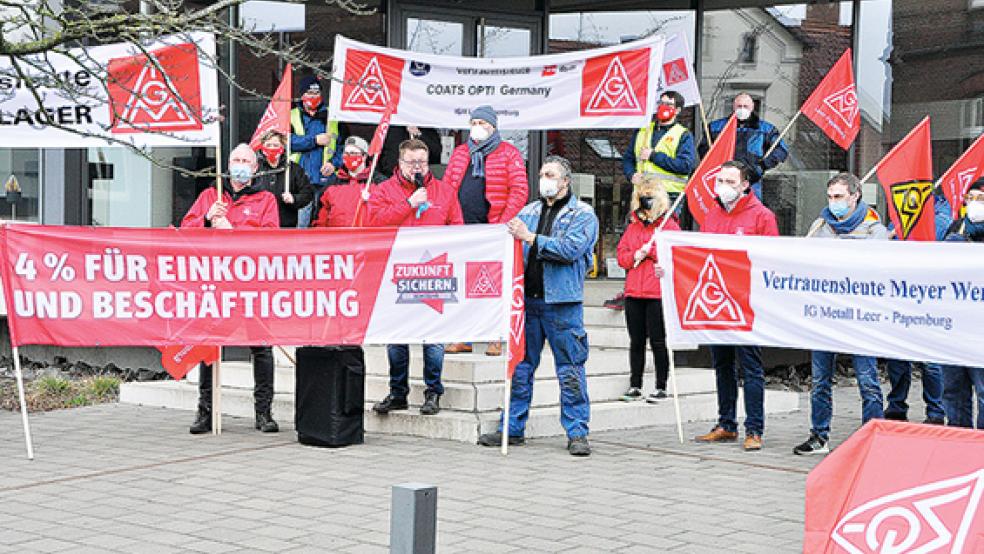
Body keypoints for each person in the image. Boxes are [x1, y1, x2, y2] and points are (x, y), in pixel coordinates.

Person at [477, 155, 599, 456]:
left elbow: (570, 249)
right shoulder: (528, 212)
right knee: (519, 368)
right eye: (542, 173)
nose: (545, 179)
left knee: (570, 370)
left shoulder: (583, 214)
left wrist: (530, 238)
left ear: (565, 182)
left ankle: (577, 432)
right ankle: (512, 428)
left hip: (562, 304)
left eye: (551, 174)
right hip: (528, 304)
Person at [181, 144, 281, 434]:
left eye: (245, 161)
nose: (240, 164)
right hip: (215, 282)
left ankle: (264, 412)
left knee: (261, 347)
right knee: (209, 346)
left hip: (252, 284)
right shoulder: (211, 195)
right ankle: (206, 411)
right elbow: (185, 233)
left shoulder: (266, 200)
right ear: (227, 164)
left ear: (255, 167)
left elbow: (271, 241)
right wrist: (205, 218)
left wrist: (231, 230)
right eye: (235, 160)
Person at [792, 173, 887, 455]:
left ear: (855, 196)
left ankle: (873, 439)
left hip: (860, 317)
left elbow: (877, 273)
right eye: (830, 197)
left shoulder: (874, 231)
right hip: (825, 315)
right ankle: (819, 436)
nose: (833, 203)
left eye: (839, 197)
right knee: (820, 380)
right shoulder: (820, 226)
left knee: (868, 380)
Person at [368, 139, 463, 416]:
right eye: (412, 163)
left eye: (422, 162)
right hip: (396, 274)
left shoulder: (444, 192)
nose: (417, 168)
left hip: (433, 273)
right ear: (400, 163)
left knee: (433, 338)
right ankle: (398, 392)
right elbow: (375, 223)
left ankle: (433, 392)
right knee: (397, 338)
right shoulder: (384, 190)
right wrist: (408, 204)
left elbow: (457, 229)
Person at [694, 161, 778, 451]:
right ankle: (726, 424)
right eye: (719, 180)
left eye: (730, 181)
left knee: (751, 368)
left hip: (746, 304)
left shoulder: (762, 217)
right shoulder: (712, 215)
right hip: (718, 304)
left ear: (745, 185)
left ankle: (754, 429)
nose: (722, 187)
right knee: (723, 365)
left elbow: (771, 261)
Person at [442, 105, 530, 355]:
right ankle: (463, 337)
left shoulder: (508, 153)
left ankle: (496, 337)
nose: (478, 127)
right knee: (462, 284)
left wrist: (502, 223)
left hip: (494, 231)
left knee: (494, 285)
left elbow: (519, 190)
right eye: (474, 122)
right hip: (463, 230)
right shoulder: (461, 153)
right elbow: (447, 189)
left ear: (493, 126)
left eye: (483, 122)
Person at [606, 90, 697, 312]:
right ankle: (631, 289)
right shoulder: (644, 131)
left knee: (660, 246)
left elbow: (686, 165)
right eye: (661, 102)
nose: (663, 106)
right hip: (642, 196)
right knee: (634, 242)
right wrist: (630, 174)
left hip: (669, 199)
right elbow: (628, 158)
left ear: (677, 110)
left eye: (668, 103)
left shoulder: (682, 135)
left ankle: (662, 290)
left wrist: (654, 156)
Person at [615, 176, 680, 403]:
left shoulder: (669, 226)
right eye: (642, 197)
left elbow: (676, 256)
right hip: (634, 291)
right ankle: (635, 384)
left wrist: (651, 253)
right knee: (636, 341)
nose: (645, 202)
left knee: (658, 341)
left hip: (657, 293)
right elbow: (621, 256)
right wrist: (634, 255)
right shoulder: (633, 228)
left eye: (649, 197)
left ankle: (661, 385)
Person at [940, 177, 984, 429]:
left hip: (981, 328)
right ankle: (958, 440)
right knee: (953, 389)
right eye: (972, 198)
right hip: (955, 326)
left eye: (982, 200)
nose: (975, 204)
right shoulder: (956, 228)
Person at [700, 92, 788, 199]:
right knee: (722, 212)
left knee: (751, 213)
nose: (742, 109)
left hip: (751, 180)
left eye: (745, 106)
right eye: (739, 106)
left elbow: (781, 150)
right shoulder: (716, 127)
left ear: (752, 107)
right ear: (733, 107)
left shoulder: (765, 129)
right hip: (724, 180)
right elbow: (704, 150)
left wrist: (762, 166)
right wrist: (714, 167)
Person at [290, 75, 343, 228]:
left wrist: (334, 164)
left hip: (326, 180)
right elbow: (285, 141)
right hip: (298, 181)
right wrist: (314, 141)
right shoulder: (291, 115)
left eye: (317, 93)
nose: (313, 97)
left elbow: (342, 146)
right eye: (309, 93)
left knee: (323, 223)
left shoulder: (332, 117)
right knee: (300, 226)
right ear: (302, 95)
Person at [312, 136, 385, 227]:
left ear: (364, 156)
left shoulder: (380, 183)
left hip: (367, 239)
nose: (348, 156)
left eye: (353, 153)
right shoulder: (332, 184)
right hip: (336, 239)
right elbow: (321, 217)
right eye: (346, 153)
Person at [252, 130, 315, 229]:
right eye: (268, 145)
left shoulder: (294, 169)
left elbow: (308, 194)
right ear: (262, 147)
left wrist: (294, 199)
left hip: (286, 225)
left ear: (282, 147)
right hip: (259, 224)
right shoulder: (254, 168)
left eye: (275, 145)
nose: (272, 148)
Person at [376, 125, 443, 180]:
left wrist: (419, 135)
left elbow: (436, 153)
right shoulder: (389, 128)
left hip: (418, 179)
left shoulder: (427, 128)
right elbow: (377, 153)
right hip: (390, 177)